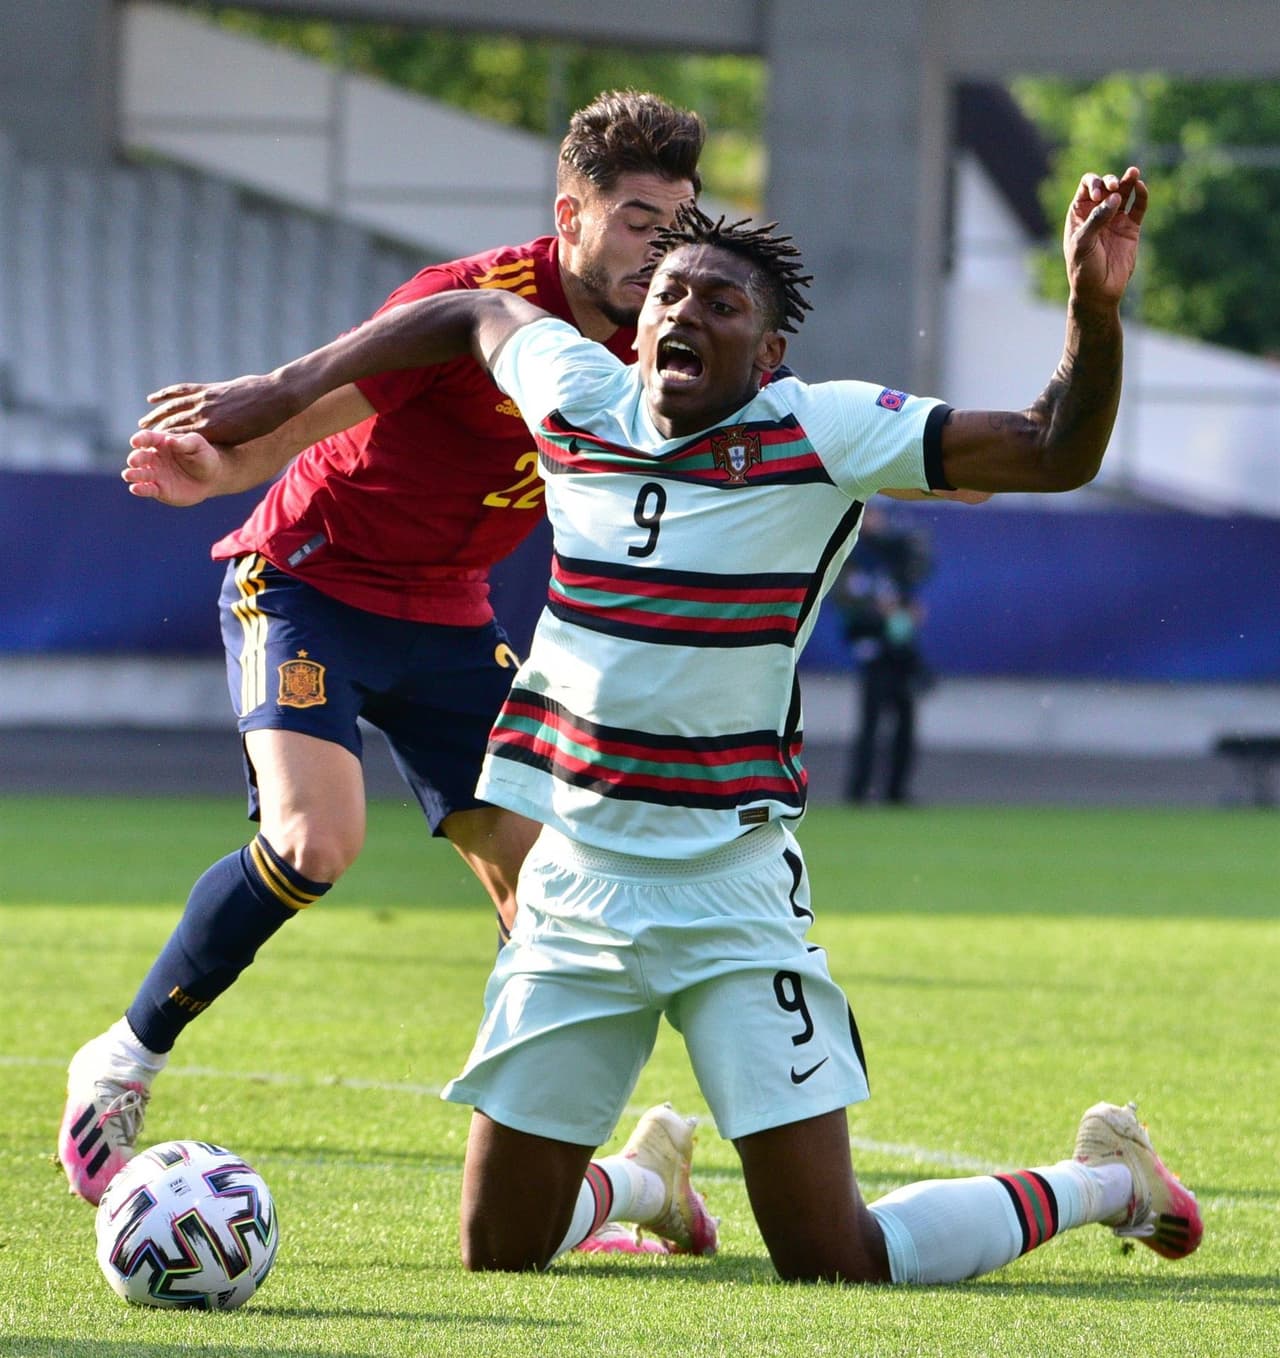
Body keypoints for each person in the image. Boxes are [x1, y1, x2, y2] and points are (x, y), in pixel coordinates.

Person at [131, 167, 1204, 1284]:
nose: (684, 312)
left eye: (720, 305)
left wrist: (1091, 308)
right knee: (498, 1251)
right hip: (575, 886)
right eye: (670, 295)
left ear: (766, 357)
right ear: (637, 325)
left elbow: (1052, 449)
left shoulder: (822, 430)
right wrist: (277, 387)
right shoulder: (572, 390)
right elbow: (462, 311)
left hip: (726, 884)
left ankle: (1106, 1177)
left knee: (831, 1256)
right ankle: (647, 1182)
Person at [57, 91, 718, 1249]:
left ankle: (557, 1195)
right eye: (632, 222)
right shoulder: (460, 309)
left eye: (675, 223)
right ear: (569, 214)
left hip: (450, 617)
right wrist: (210, 471)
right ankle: (121, 1056)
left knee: (555, 899)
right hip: (306, 580)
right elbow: (289, 427)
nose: (655, 250)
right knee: (319, 838)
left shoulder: (660, 332)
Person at [835, 502, 933, 803]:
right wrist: (877, 613)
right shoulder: (853, 556)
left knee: (904, 723)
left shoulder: (893, 554)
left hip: (899, 652)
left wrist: (904, 612)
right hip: (873, 651)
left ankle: (897, 791)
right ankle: (859, 790)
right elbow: (848, 603)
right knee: (871, 724)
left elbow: (919, 567)